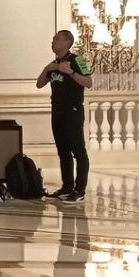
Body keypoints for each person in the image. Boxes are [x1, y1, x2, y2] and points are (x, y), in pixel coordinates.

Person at [36, 29, 93, 202]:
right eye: (53, 39)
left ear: (68, 42)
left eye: (56, 39)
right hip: (57, 111)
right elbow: (39, 84)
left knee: (78, 151)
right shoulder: (53, 63)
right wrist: (49, 68)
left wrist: (70, 72)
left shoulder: (78, 60)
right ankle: (66, 187)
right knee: (63, 151)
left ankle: (80, 189)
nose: (52, 42)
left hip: (73, 111)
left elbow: (89, 82)